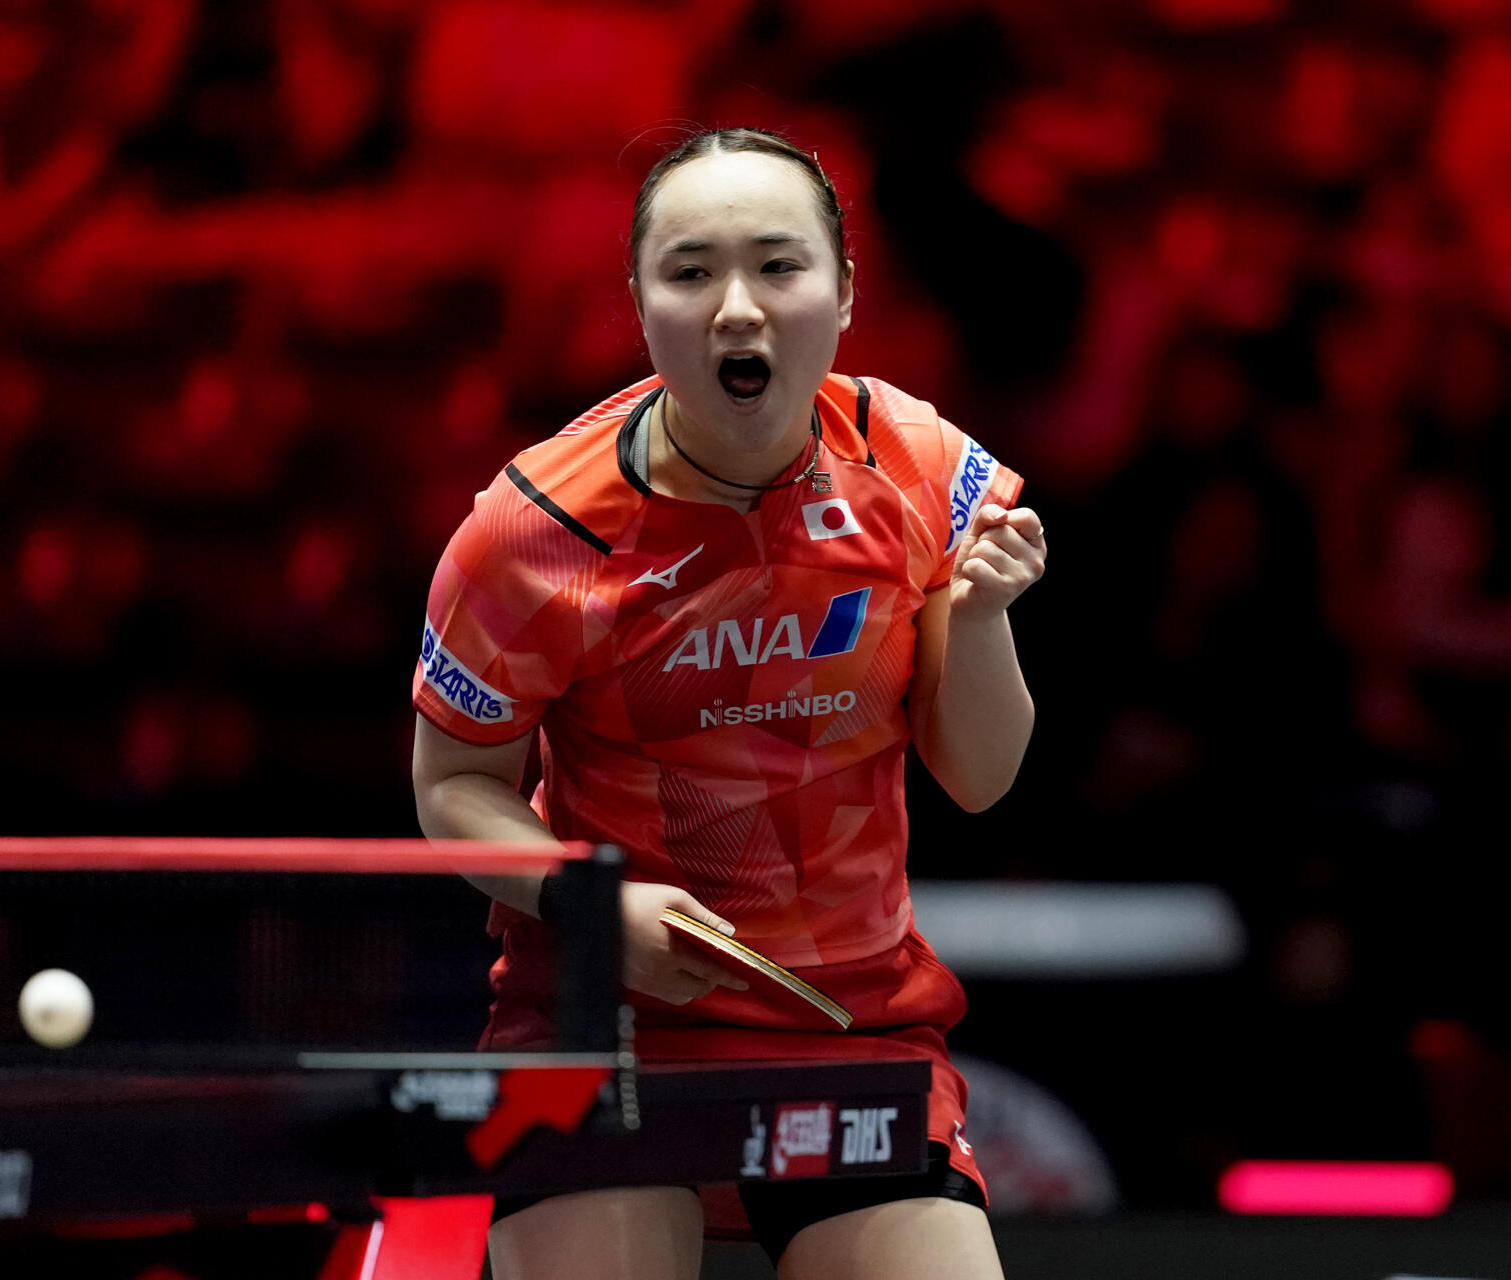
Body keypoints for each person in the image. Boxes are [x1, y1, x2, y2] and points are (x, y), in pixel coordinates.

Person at [411, 127, 1043, 1280]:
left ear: (844, 293)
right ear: (640, 303)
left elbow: (981, 775)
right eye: (691, 272)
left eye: (778, 265)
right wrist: (596, 910)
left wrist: (985, 613)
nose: (736, 307)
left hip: (850, 1020)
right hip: (603, 1022)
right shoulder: (535, 532)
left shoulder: (915, 464)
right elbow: (452, 787)